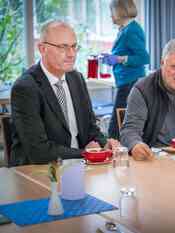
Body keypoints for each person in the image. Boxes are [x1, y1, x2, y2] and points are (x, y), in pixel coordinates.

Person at [11, 20, 119, 166]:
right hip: (40, 171)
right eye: (63, 47)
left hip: (79, 167)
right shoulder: (25, 88)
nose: (71, 54)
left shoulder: (76, 78)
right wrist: (85, 154)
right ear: (42, 49)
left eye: (74, 46)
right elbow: (38, 151)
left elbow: (90, 129)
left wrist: (104, 144)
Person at [102, 0, 149, 139]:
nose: (110, 16)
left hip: (130, 82)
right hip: (125, 81)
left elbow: (144, 58)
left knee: (116, 125)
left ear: (119, 11)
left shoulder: (131, 30)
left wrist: (119, 59)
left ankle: (113, 152)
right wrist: (113, 57)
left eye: (112, 12)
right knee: (120, 121)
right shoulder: (125, 29)